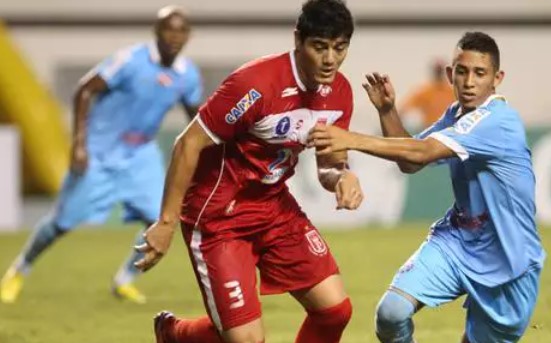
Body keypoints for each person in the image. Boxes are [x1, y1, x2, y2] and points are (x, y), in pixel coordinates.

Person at [136, 1, 362, 342]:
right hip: (218, 218)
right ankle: (176, 333)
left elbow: (329, 165)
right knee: (247, 340)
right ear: (298, 40)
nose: (330, 59)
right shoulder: (254, 84)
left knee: (335, 312)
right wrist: (166, 222)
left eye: (339, 48)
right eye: (320, 47)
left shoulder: (339, 93)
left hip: (275, 209)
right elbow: (187, 144)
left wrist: (342, 176)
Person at [308, 31, 546, 343]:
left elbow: (422, 152)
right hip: (458, 241)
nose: (469, 82)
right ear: (451, 75)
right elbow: (411, 161)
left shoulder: (498, 121)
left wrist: (350, 139)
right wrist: (387, 111)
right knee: (391, 313)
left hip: (508, 259)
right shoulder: (456, 115)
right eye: (462, 72)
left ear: (497, 78)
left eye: (480, 73)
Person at [0, 6, 203, 305]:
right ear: (157, 32)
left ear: (188, 36)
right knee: (62, 223)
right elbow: (84, 90)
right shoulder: (130, 61)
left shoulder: (187, 75)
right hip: (100, 151)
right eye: (169, 30)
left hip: (140, 155)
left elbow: (196, 118)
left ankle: (124, 280)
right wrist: (79, 144)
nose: (175, 36)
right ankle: (19, 269)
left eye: (181, 31)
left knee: (159, 219)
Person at [398, 58, 456, 132]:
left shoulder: (452, 91)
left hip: (449, 129)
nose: (438, 73)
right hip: (430, 129)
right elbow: (404, 109)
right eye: (437, 71)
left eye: (440, 71)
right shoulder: (425, 91)